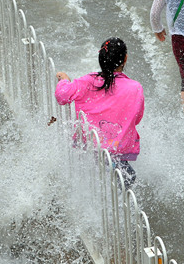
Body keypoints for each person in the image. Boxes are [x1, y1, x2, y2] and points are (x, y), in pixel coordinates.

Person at [55, 38, 145, 185]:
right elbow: (137, 117)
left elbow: (62, 96)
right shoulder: (135, 88)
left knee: (95, 181)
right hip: (118, 152)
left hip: (89, 149)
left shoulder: (87, 82)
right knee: (124, 181)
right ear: (125, 58)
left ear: (101, 58)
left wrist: (64, 80)